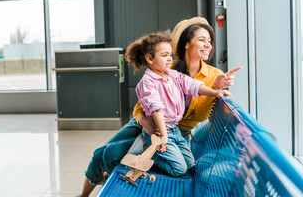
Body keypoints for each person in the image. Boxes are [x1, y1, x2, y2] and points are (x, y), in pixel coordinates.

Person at [78, 17, 241, 197]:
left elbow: (200, 115)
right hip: (146, 124)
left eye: (209, 41)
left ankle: (124, 172)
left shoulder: (213, 75)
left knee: (111, 153)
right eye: (202, 40)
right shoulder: (167, 67)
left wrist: (216, 88)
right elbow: (142, 105)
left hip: (174, 132)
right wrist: (143, 121)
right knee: (102, 153)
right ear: (186, 44)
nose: (208, 45)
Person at [124, 30, 232, 176]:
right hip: (160, 132)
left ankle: (162, 154)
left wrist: (215, 92)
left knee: (190, 164)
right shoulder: (147, 83)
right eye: (164, 55)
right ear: (149, 58)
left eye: (170, 55)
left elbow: (192, 85)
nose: (169, 59)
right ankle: (150, 155)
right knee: (179, 170)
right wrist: (163, 137)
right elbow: (156, 109)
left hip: (175, 130)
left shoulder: (172, 74)